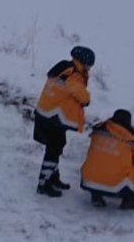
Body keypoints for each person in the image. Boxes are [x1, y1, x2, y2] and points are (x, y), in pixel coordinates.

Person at [33, 45, 95, 197]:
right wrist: (86, 98)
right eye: (89, 65)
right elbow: (80, 94)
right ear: (83, 62)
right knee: (53, 150)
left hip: (47, 113)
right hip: (55, 117)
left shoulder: (64, 68)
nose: (89, 68)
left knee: (56, 147)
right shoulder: (74, 74)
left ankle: (53, 177)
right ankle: (44, 184)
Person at [80, 109, 134, 209]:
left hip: (88, 179)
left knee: (99, 161)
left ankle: (96, 195)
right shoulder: (130, 139)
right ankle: (129, 199)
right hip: (113, 181)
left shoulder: (98, 130)